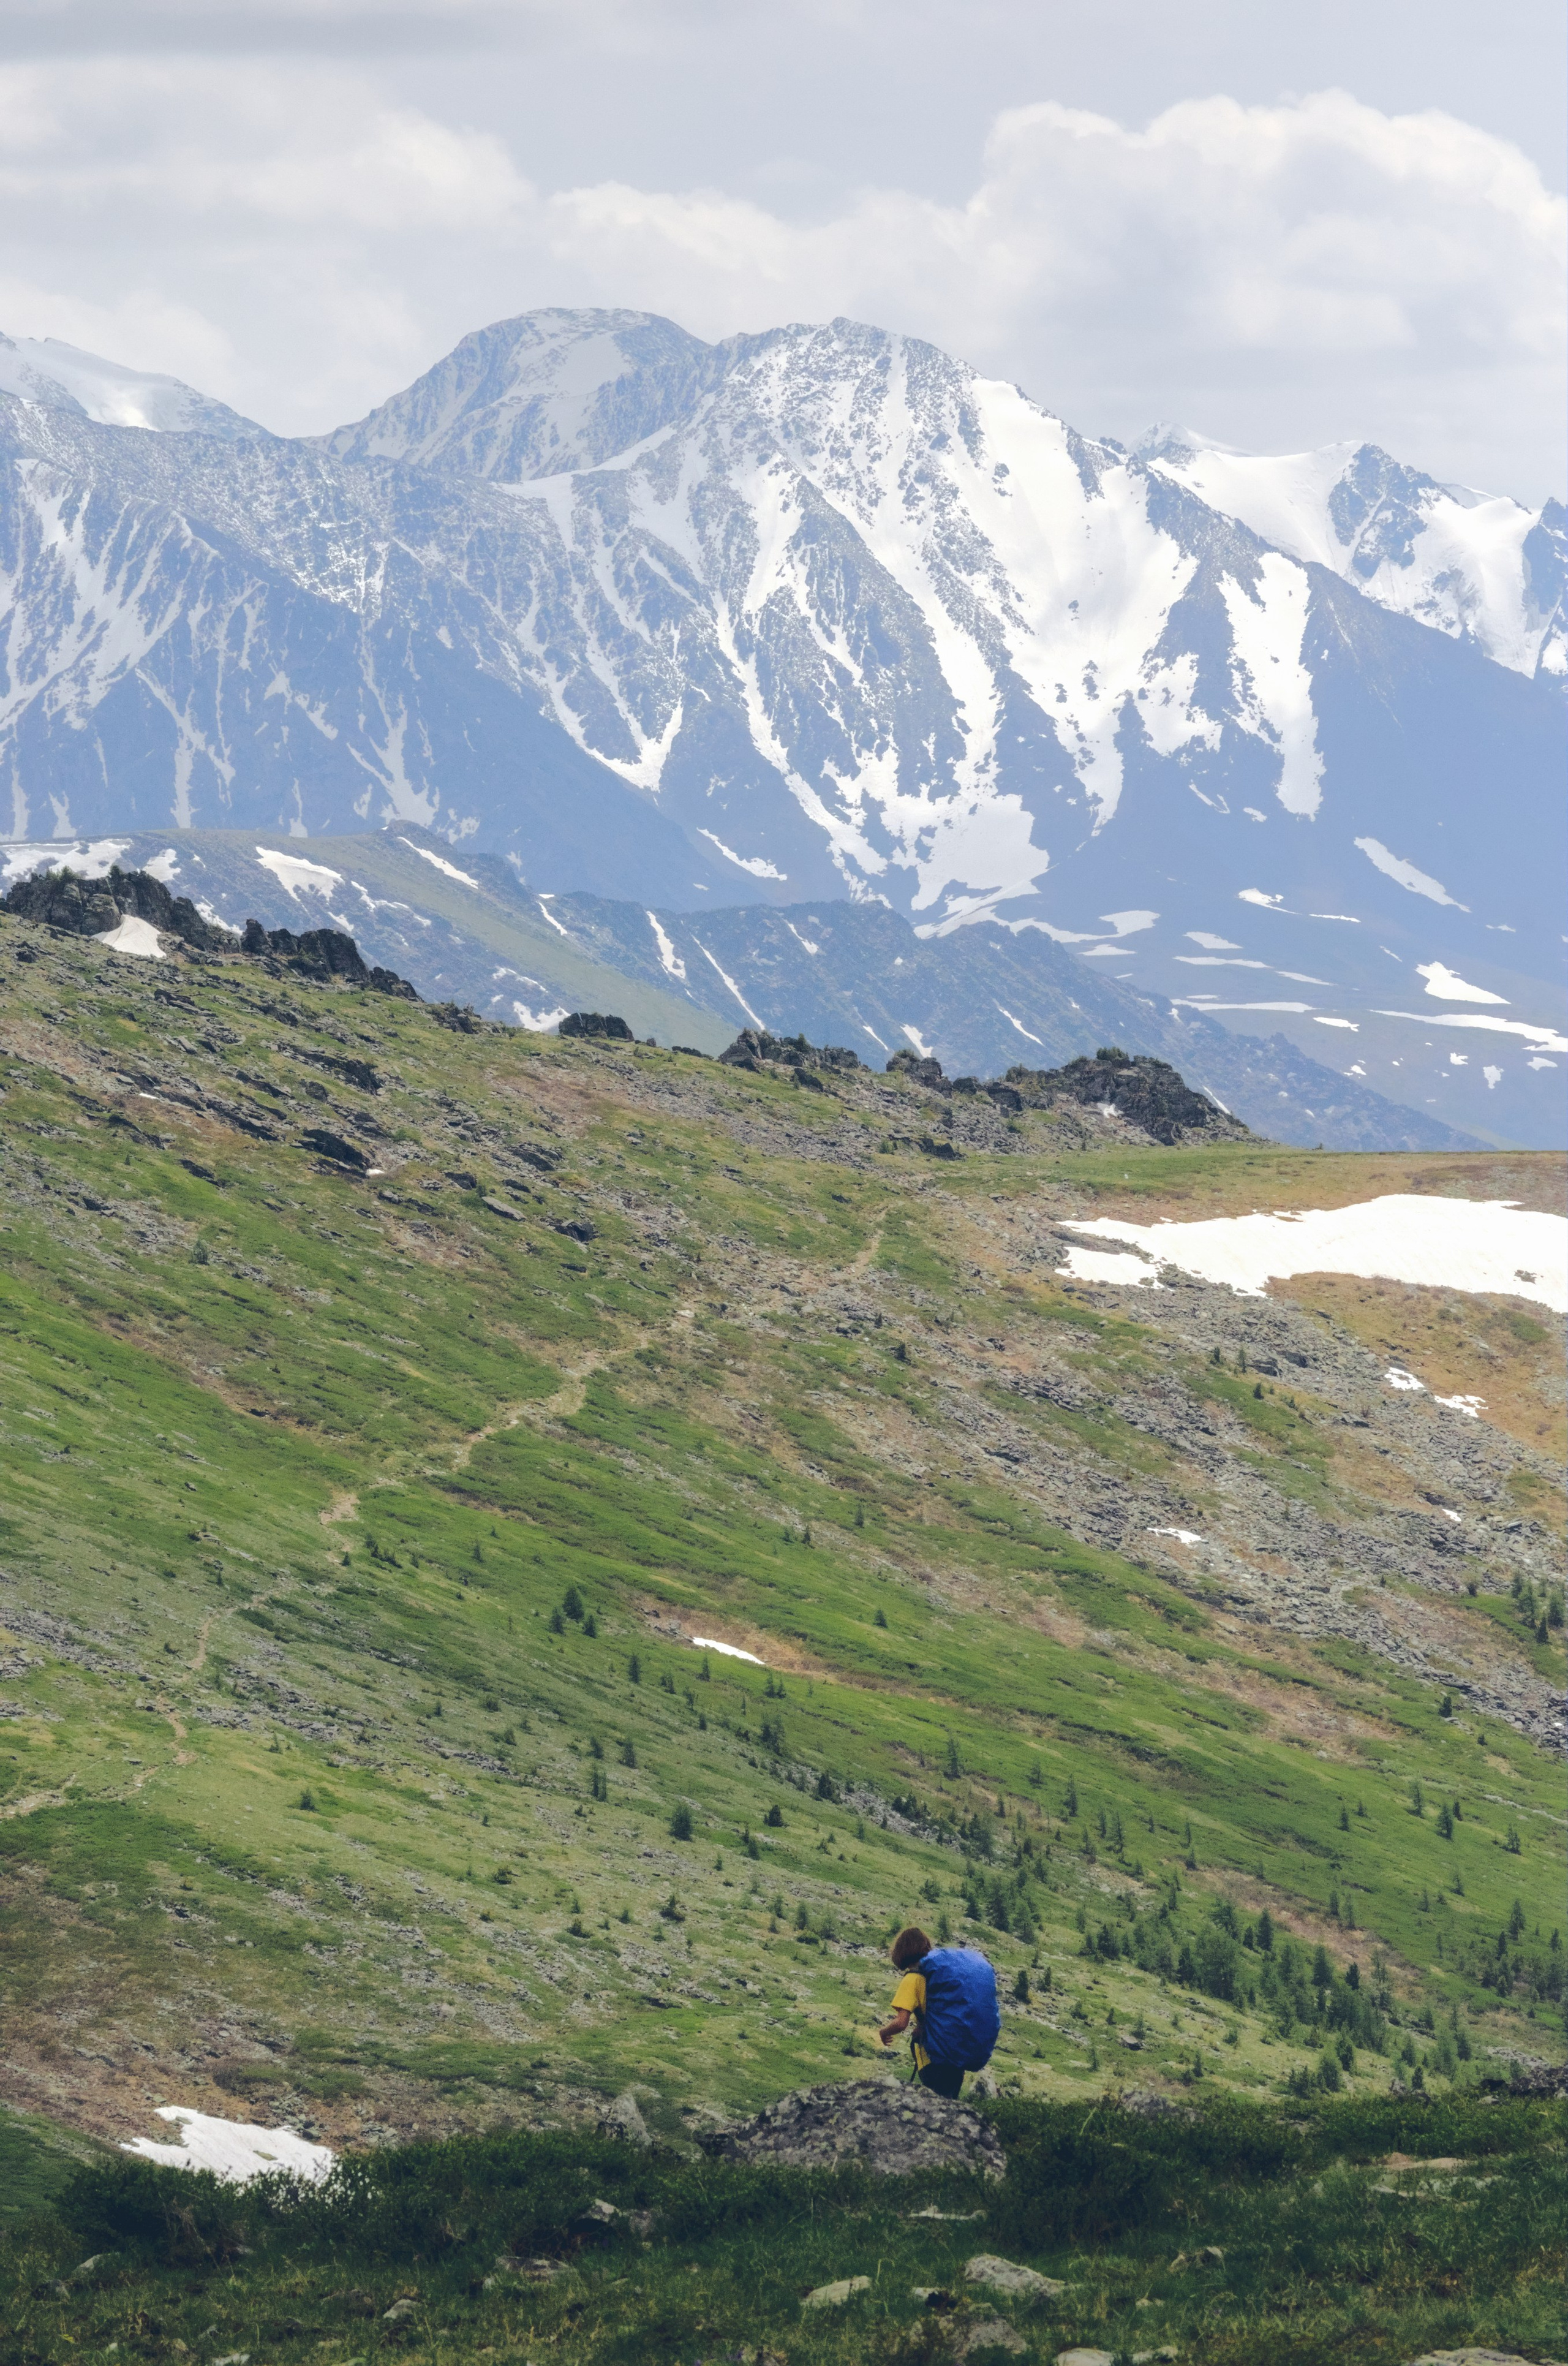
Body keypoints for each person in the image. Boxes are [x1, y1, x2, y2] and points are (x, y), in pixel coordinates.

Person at [878, 1924, 999, 2098]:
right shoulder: (938, 1976)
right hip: (954, 2053)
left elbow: (901, 2023)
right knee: (949, 2103)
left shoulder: (912, 1979)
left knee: (936, 2104)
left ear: (901, 1951)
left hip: (933, 2056)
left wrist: (884, 2032)